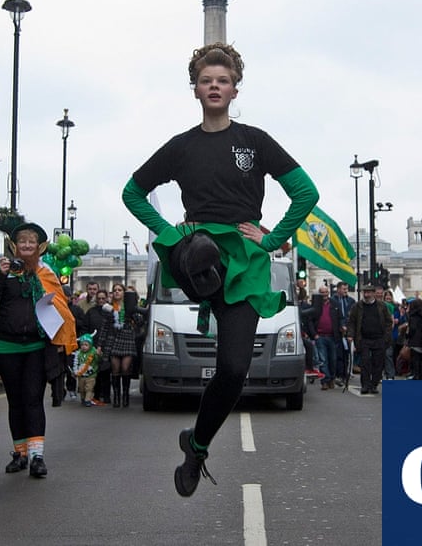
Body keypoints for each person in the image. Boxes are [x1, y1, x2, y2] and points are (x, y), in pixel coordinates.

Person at [121, 42, 319, 496]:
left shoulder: (255, 141)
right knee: (201, 251)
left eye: (223, 80)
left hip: (245, 261)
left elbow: (305, 193)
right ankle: (196, 260)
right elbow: (132, 193)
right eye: (206, 80)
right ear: (195, 89)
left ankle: (196, 445)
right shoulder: (181, 146)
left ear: (234, 89)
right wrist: (168, 234)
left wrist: (271, 239)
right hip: (196, 252)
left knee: (233, 368)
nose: (215, 86)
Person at [0, 221, 77, 478]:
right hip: (6, 347)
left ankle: (38, 456)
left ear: (40, 246)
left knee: (33, 399)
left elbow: (59, 306)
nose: (27, 245)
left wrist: (60, 341)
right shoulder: (3, 270)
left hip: (36, 347)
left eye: (32, 242)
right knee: (15, 402)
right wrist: (0, 276)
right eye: (23, 241)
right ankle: (20, 453)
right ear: (14, 246)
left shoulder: (46, 273)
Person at [93, 282, 140, 408]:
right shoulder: (109, 308)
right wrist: (99, 346)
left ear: (124, 293)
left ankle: (125, 396)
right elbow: (104, 328)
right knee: (115, 368)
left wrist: (134, 313)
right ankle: (117, 398)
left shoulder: (129, 306)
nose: (117, 292)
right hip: (113, 340)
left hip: (127, 339)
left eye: (120, 290)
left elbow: (139, 321)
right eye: (115, 290)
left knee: (125, 368)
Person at [348, 283, 392, 394]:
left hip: (379, 338)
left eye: (368, 293)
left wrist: (386, 336)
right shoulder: (357, 306)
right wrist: (350, 335)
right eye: (365, 292)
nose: (366, 295)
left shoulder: (382, 306)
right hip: (364, 339)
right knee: (365, 362)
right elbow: (352, 322)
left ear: (373, 293)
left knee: (378, 363)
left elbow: (388, 322)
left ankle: (374, 384)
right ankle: (365, 385)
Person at [73, 334, 100, 406]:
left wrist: (98, 355)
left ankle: (87, 400)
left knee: (89, 388)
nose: (84, 347)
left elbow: (98, 360)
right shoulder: (79, 353)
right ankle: (83, 398)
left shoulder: (93, 352)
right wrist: (75, 371)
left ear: (90, 345)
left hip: (91, 375)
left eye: (86, 345)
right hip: (81, 375)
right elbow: (76, 363)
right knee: (81, 389)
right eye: (82, 345)